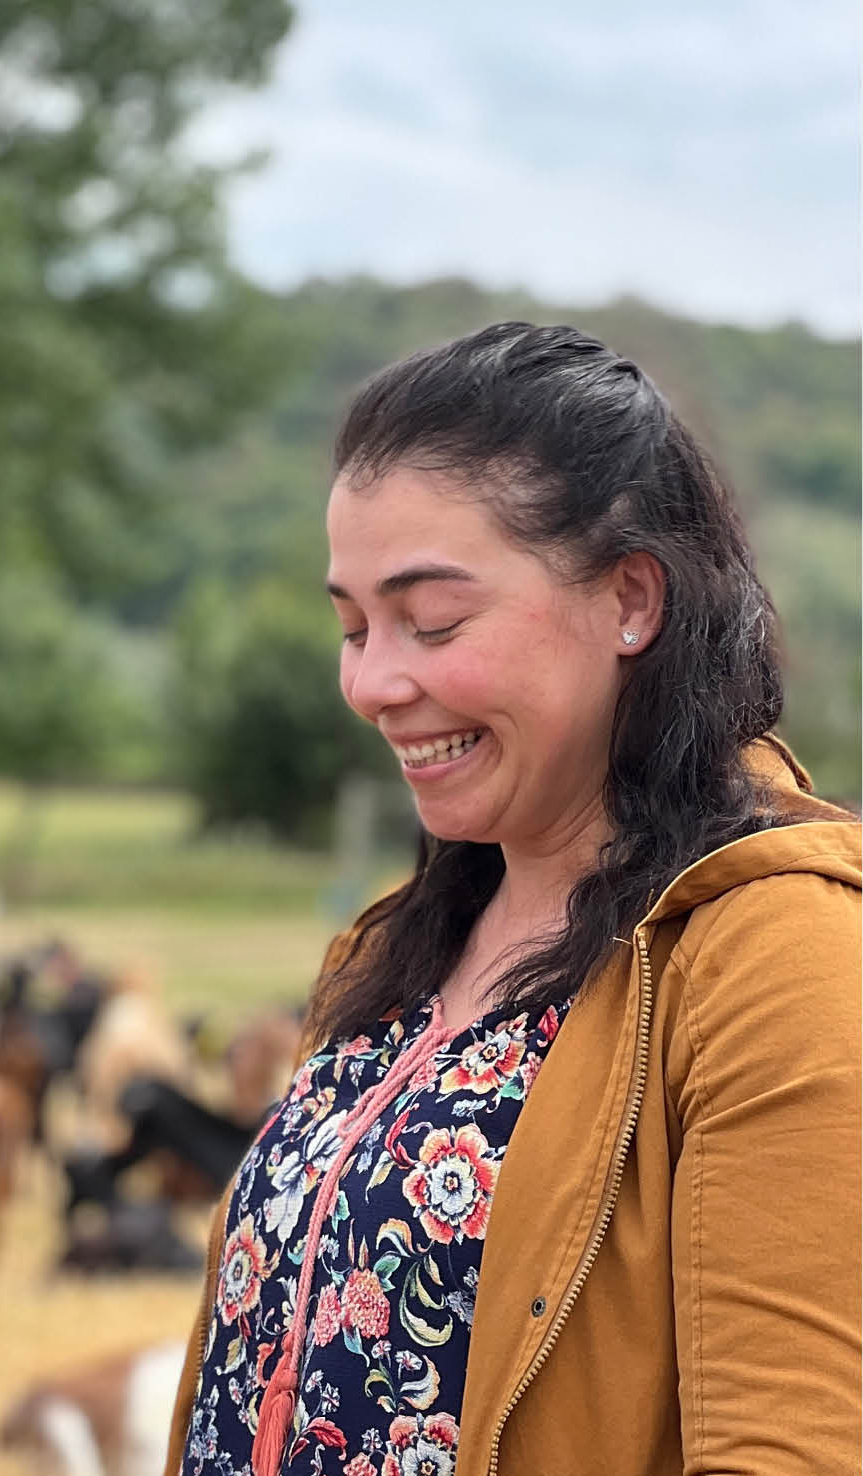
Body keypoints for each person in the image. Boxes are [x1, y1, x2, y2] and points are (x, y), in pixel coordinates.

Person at [166, 323, 861, 1476]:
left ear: (630, 598)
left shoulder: (779, 954)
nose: (371, 683)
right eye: (351, 627)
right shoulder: (388, 950)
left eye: (433, 621)